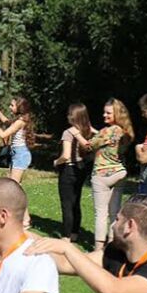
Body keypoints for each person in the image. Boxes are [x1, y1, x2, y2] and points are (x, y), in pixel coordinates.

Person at [69, 98, 133, 251]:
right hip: (119, 173)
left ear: (117, 114)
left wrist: (76, 134)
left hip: (102, 175)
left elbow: (88, 146)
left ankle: (98, 249)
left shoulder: (106, 131)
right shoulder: (124, 131)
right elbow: (108, 142)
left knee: (101, 213)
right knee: (114, 212)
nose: (104, 115)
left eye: (108, 113)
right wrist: (94, 131)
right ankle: (112, 245)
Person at [55, 103, 95, 242]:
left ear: (73, 116)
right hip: (81, 170)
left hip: (68, 170)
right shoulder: (87, 131)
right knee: (76, 202)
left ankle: (66, 236)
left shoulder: (68, 132)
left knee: (67, 204)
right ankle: (74, 233)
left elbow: (66, 156)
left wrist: (56, 162)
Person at [0, 95, 36, 183]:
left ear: (19, 107)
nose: (9, 107)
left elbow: (3, 135)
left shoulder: (20, 122)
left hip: (20, 154)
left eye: (12, 105)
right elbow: (6, 122)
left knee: (13, 184)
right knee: (15, 184)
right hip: (17, 153)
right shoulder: (19, 120)